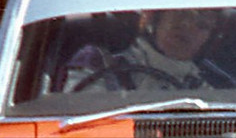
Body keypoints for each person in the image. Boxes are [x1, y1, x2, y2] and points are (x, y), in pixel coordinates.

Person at [61, 9, 222, 92]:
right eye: (181, 14)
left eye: (202, 24)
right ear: (156, 18)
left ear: (209, 39)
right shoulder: (97, 61)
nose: (187, 26)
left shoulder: (205, 87)